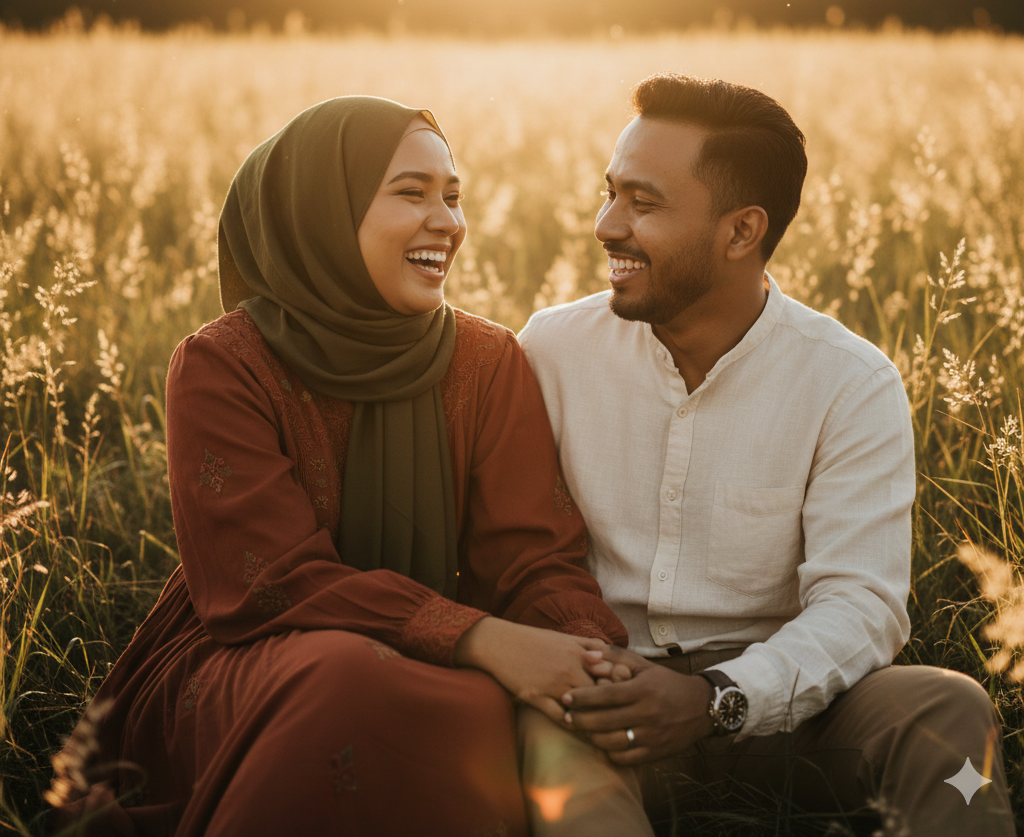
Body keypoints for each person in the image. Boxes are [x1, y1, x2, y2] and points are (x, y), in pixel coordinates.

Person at [52, 96, 630, 837]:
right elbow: (267, 583)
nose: (448, 222)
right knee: (350, 677)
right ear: (322, 211)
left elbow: (533, 555)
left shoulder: (487, 361)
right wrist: (481, 640)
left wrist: (587, 654)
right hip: (252, 659)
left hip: (442, 655)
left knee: (476, 701)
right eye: (412, 193)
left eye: (454, 197)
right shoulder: (225, 364)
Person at [517, 73, 1015, 836]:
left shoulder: (849, 382)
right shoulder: (551, 350)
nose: (605, 225)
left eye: (642, 203)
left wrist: (718, 697)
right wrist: (596, 676)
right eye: (610, 192)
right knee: (545, 738)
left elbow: (862, 606)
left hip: (788, 711)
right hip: (600, 703)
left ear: (742, 231)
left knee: (948, 706)